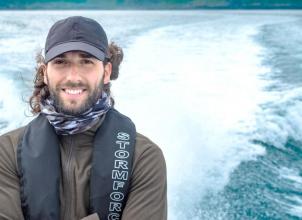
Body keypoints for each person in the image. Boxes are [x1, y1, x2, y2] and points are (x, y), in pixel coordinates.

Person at [0, 16, 167, 220]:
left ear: (106, 72)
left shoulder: (143, 158)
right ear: (45, 72)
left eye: (86, 62)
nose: (73, 76)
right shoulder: (6, 153)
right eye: (61, 62)